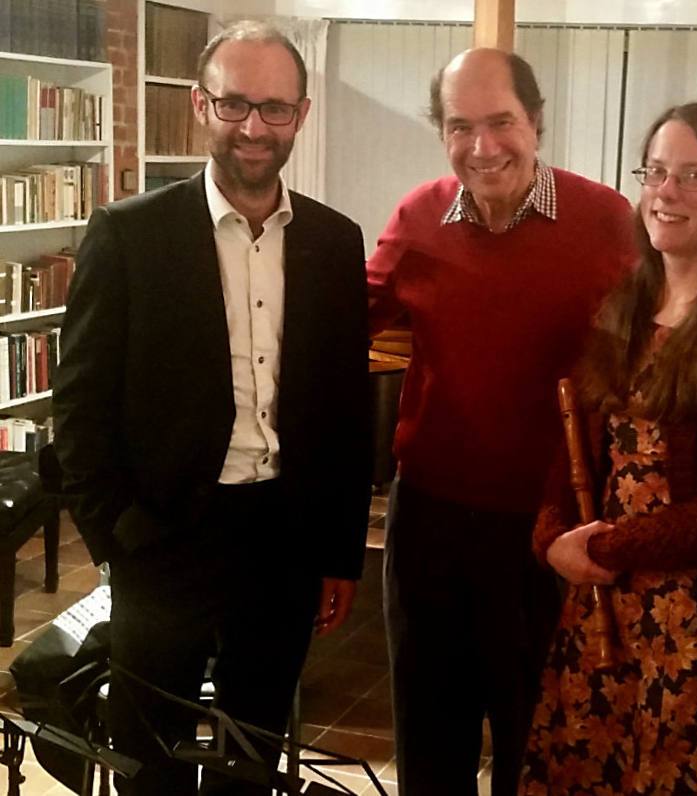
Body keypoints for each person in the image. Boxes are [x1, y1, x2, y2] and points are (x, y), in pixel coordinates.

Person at [52, 21, 370, 796]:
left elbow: (343, 408)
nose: (253, 128)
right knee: (148, 757)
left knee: (252, 752)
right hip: (165, 535)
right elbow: (80, 407)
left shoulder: (335, 241)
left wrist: (337, 551)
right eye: (234, 106)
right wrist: (119, 538)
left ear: (301, 112)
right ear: (201, 105)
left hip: (285, 539)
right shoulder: (127, 235)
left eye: (273, 108)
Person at [365, 48, 637, 796]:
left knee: (539, 738)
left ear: (537, 123)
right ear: (440, 131)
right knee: (430, 737)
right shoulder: (418, 217)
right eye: (460, 127)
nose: (482, 147)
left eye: (501, 123)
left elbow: (661, 348)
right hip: (430, 522)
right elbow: (345, 325)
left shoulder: (609, 220)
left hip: (547, 529)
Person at [519, 101, 697, 796]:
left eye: (694, 176)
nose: (666, 192)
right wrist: (551, 534)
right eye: (656, 171)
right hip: (601, 604)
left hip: (692, 625)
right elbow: (578, 435)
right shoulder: (626, 299)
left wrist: (602, 550)